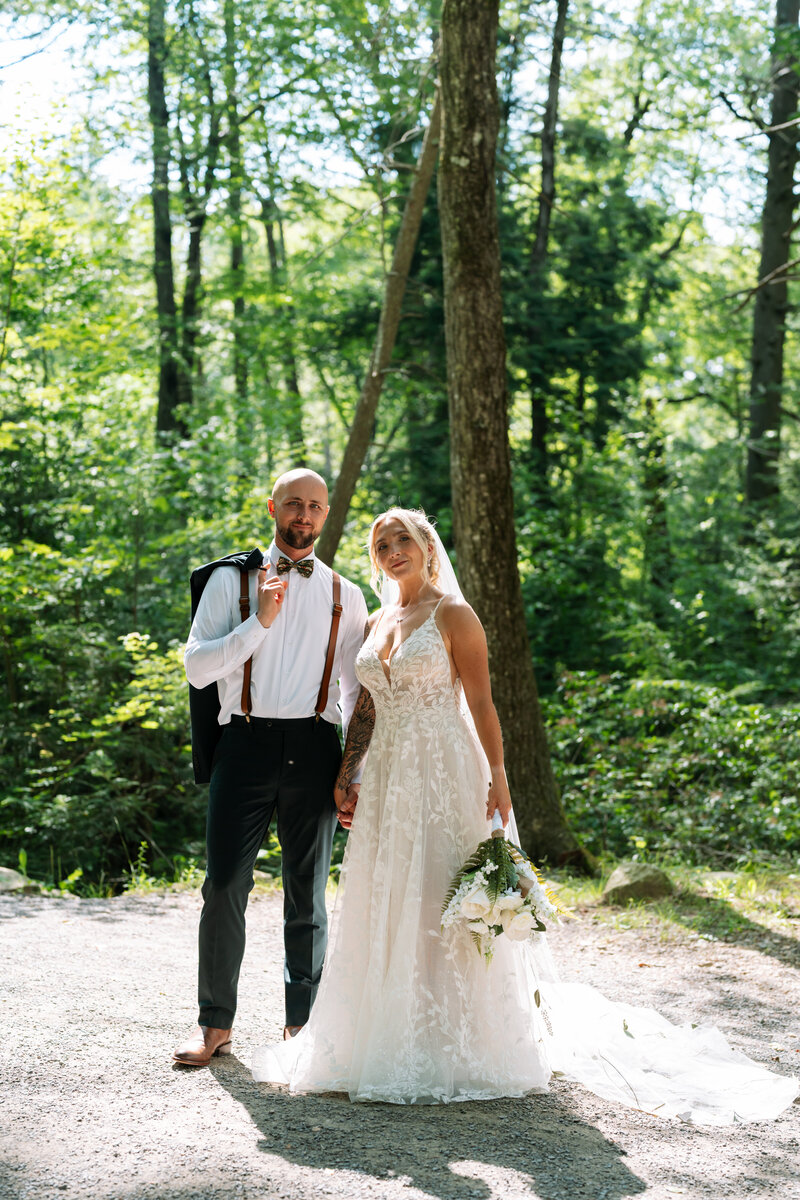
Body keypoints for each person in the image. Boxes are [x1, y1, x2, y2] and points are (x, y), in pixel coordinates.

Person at [252, 507, 798, 1122]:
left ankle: (455, 1040)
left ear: (428, 546)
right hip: (385, 780)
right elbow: (370, 711)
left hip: (443, 770)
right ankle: (378, 1034)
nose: (392, 549)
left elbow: (483, 704)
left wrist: (500, 778)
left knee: (439, 894)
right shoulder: (376, 621)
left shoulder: (455, 615)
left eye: (404, 538)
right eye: (381, 543)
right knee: (383, 895)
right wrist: (347, 773)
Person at [173, 469, 368, 1067]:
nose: (303, 516)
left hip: (316, 748)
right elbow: (196, 669)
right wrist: (257, 620)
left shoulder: (346, 594)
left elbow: (357, 694)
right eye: (293, 505)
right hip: (244, 743)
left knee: (306, 895)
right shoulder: (228, 581)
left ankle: (300, 1029)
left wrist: (353, 774)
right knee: (225, 885)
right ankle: (214, 1026)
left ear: (326, 514)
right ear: (272, 508)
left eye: (314, 507)